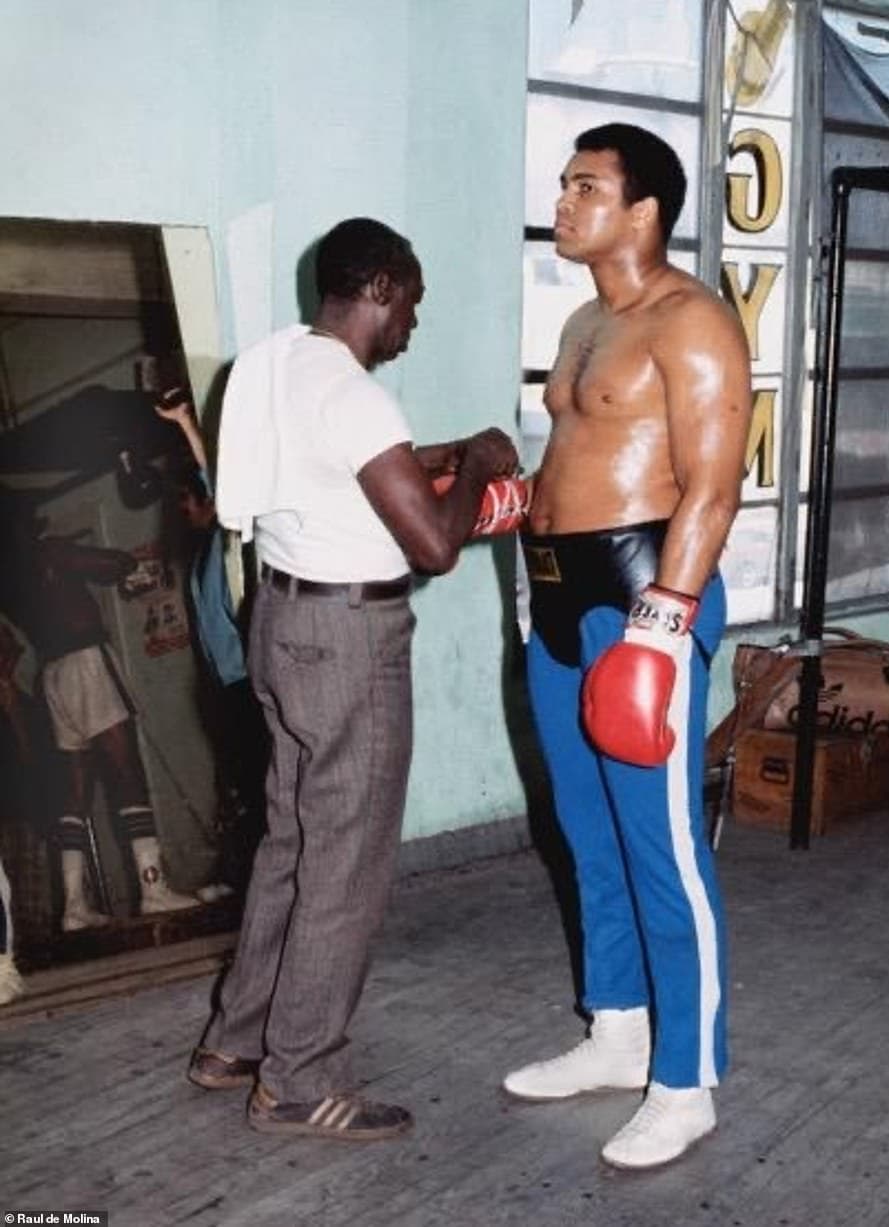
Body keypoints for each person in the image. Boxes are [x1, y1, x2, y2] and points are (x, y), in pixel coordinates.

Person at [188, 217, 519, 1142]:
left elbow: (346, 474)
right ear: (379, 287)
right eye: (411, 299)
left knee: (290, 843)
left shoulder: (273, 364)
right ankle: (299, 1079)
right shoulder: (362, 399)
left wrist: (441, 453)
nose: (415, 320)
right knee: (347, 866)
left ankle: (234, 1043)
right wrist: (483, 465)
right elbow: (432, 545)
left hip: (281, 625)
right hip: (350, 642)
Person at [501, 124, 752, 1169]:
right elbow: (578, 455)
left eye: (584, 186)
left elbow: (710, 483)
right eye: (563, 184)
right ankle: (616, 1032)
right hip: (556, 599)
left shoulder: (689, 321)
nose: (562, 201)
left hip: (637, 597)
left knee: (662, 850)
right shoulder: (579, 323)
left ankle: (684, 1079)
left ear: (641, 208)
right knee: (583, 832)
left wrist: (661, 624)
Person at [0, 494, 200, 930]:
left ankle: (73, 905)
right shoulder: (48, 550)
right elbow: (111, 563)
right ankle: (154, 888)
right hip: (87, 662)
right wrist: (130, 566)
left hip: (53, 675)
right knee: (127, 773)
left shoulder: (8, 576)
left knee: (75, 791)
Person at [154, 391, 268, 891]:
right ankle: (247, 875)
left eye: (186, 501)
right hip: (226, 686)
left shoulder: (227, 541)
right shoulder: (203, 562)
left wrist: (185, 424)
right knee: (242, 783)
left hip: (249, 680)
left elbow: (220, 482)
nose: (183, 512)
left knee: (262, 783)